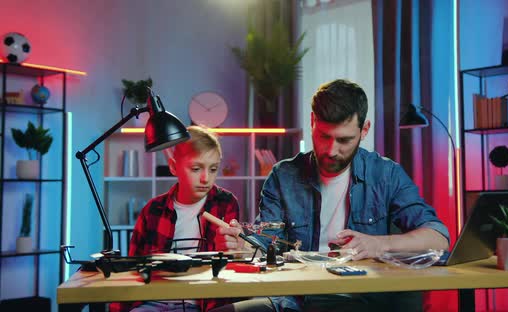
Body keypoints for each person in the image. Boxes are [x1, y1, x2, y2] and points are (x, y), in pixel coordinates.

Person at [234, 79, 450, 312]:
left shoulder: (386, 175)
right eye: (324, 136)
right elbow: (266, 244)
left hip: (358, 299)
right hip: (292, 299)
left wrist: (378, 244)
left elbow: (438, 238)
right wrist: (244, 245)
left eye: (344, 140)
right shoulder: (283, 175)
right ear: (312, 121)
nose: (331, 151)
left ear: (364, 130)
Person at [109, 125, 246, 312]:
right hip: (153, 300)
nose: (206, 178)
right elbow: (134, 268)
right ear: (174, 167)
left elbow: (233, 265)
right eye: (196, 168)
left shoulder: (226, 203)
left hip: (201, 303)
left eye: (213, 169)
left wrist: (237, 249)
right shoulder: (152, 210)